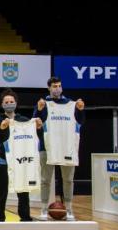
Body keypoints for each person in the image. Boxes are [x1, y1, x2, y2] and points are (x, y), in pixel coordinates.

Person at [33, 76, 85, 220]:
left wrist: (80, 110)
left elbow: (80, 122)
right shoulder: (44, 104)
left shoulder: (71, 104)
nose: (57, 89)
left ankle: (69, 209)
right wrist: (38, 110)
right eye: (54, 86)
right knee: (45, 180)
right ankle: (44, 209)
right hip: (47, 147)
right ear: (49, 88)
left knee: (68, 180)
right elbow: (35, 123)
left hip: (67, 147)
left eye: (59, 86)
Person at [0, 88, 41, 222]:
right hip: (3, 162)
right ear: (2, 104)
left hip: (20, 162)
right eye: (6, 102)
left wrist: (38, 127)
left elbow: (35, 137)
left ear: (16, 103)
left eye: (11, 101)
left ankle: (25, 217)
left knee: (23, 191)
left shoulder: (24, 120)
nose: (9, 104)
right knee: (1, 192)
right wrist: (1, 128)